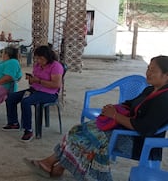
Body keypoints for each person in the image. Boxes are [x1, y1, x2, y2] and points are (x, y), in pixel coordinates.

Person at [26, 55, 168, 180]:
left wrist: (115, 115)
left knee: (85, 138)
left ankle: (55, 165)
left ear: (166, 76)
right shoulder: (150, 89)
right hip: (123, 128)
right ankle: (54, 165)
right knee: (78, 130)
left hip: (135, 140)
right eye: (148, 68)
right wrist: (114, 108)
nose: (148, 73)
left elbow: (144, 128)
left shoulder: (164, 99)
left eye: (153, 70)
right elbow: (130, 104)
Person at [3, 45, 64, 141]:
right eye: (37, 58)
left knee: (26, 102)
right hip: (34, 89)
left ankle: (28, 130)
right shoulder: (37, 65)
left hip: (49, 93)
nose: (38, 61)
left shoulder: (56, 66)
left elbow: (56, 84)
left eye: (41, 58)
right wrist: (31, 80)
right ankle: (13, 123)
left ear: (48, 57)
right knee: (10, 97)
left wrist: (39, 81)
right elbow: (33, 82)